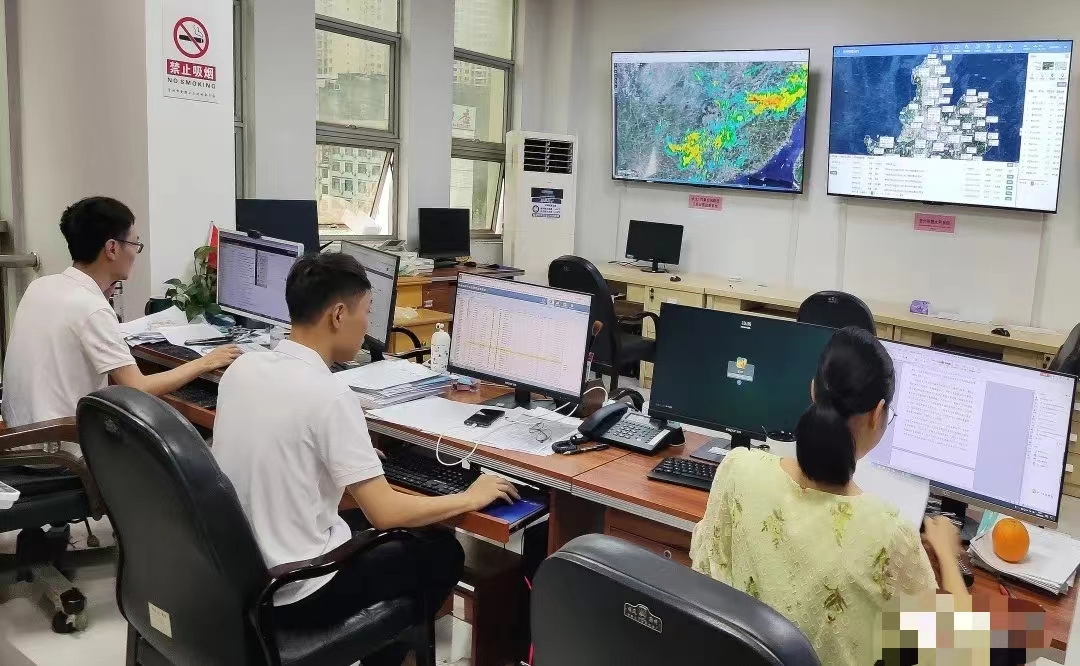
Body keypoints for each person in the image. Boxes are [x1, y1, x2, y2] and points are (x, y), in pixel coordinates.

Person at [211, 252, 517, 666]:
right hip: (298, 589)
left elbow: (284, 449)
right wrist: (470, 497)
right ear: (339, 315)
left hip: (242, 576)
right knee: (442, 551)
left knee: (390, 530)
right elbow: (385, 514)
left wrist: (347, 458)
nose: (369, 326)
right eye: (367, 312)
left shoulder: (242, 369)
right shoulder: (330, 394)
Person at [689, 327, 967, 666]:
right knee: (1018, 641)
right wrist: (947, 554)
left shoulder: (737, 469)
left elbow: (704, 577)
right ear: (878, 414)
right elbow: (957, 652)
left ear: (812, 389)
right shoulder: (889, 532)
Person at [1, 196, 239, 431]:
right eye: (135, 244)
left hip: (20, 437)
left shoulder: (41, 286)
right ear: (112, 248)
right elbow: (138, 387)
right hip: (59, 446)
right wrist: (206, 362)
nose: (135, 253)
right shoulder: (91, 308)